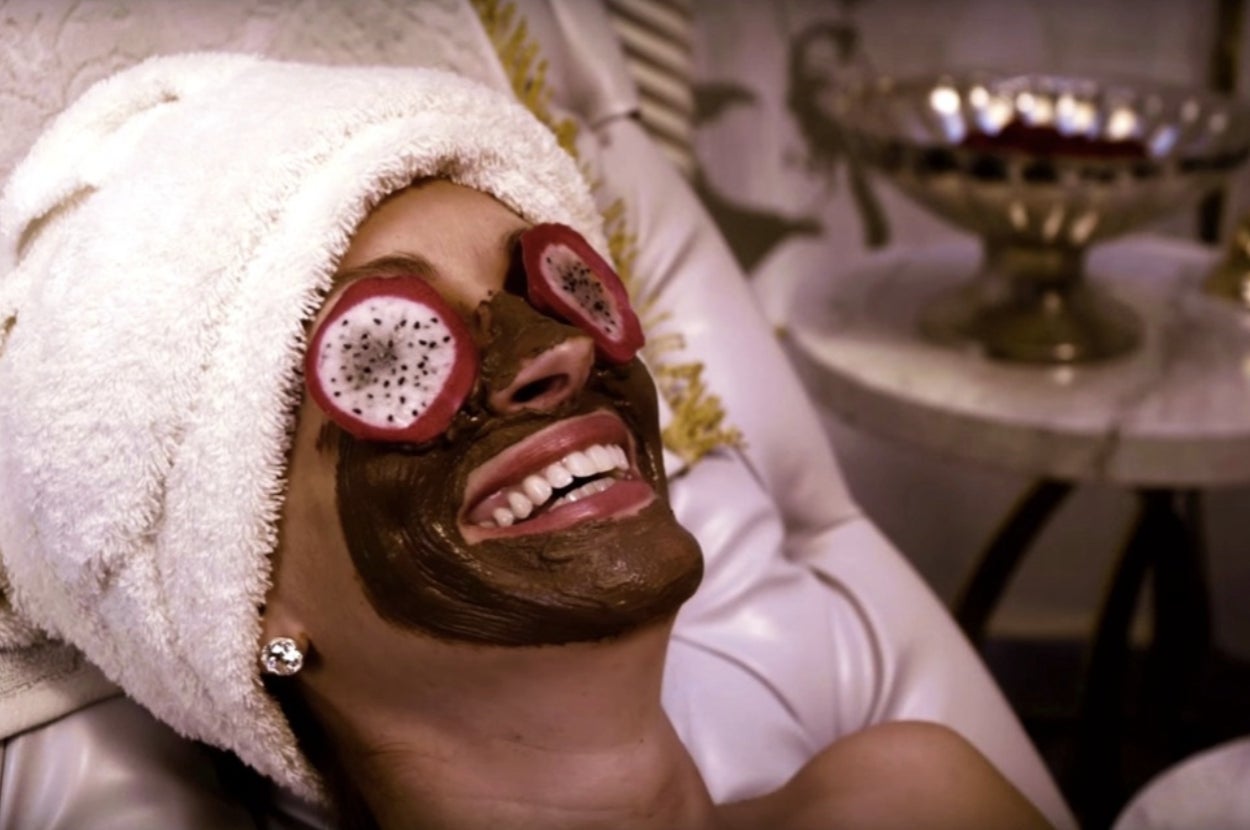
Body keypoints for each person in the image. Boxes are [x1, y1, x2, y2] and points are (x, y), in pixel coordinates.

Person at [0, 54, 1050, 828]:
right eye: (386, 349)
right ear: (245, 598)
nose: (559, 352)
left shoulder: (916, 797)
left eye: (558, 287)